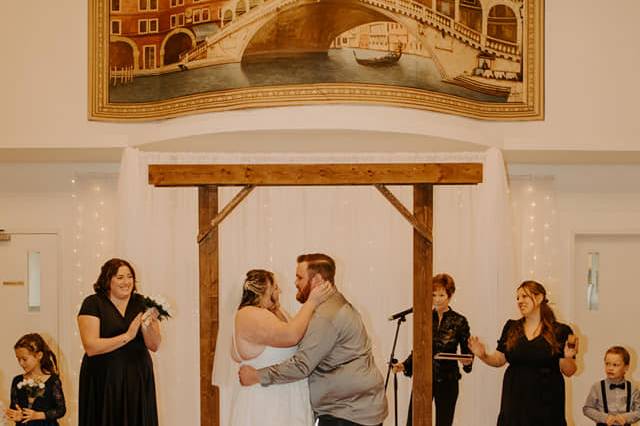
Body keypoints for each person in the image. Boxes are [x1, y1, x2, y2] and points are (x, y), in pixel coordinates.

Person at [239, 253, 388, 426]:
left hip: (347, 413)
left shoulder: (326, 315)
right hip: (359, 407)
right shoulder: (333, 304)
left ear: (316, 280)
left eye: (299, 277)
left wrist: (257, 375)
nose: (295, 283)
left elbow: (302, 365)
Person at [229, 268, 334, 425]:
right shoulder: (248, 314)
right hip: (267, 404)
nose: (281, 291)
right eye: (276, 287)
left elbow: (302, 336)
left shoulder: (275, 312)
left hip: (288, 398)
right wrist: (312, 302)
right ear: (264, 290)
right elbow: (291, 336)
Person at [468, 280, 578, 426]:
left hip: (547, 399)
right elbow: (499, 359)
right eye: (517, 298)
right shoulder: (511, 326)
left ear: (539, 298)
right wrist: (483, 355)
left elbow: (569, 371)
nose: (520, 301)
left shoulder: (561, 330)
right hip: (515, 396)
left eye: (524, 296)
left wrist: (569, 357)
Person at [77, 258, 161, 426]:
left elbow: (154, 345)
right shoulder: (92, 303)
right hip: (104, 378)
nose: (126, 282)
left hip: (137, 377)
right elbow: (91, 347)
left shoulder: (142, 303)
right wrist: (128, 336)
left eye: (130, 276)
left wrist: (149, 326)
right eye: (120, 277)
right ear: (108, 280)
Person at [392, 273, 473, 426]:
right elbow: (418, 350)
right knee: (414, 422)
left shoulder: (460, 321)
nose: (436, 299)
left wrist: (467, 362)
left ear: (450, 295)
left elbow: (467, 355)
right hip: (423, 378)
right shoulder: (424, 317)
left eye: (441, 295)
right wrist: (404, 365)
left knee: (444, 422)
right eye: (433, 294)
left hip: (447, 381)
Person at [4, 333, 66, 425]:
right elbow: (14, 406)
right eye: (18, 359)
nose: (21, 363)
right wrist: (17, 415)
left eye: (24, 359)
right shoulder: (17, 380)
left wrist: (39, 415)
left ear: (39, 355)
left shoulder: (53, 380)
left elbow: (61, 410)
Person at [583, 346, 640, 425]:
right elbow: (587, 409)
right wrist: (604, 417)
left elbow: (639, 411)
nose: (610, 368)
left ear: (626, 367)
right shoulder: (597, 387)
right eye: (607, 364)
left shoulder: (633, 388)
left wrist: (626, 417)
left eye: (615, 365)